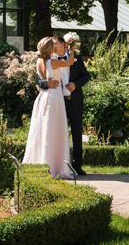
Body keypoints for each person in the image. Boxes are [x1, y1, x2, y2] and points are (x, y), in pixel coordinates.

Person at [38, 33, 90, 175]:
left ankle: (77, 165)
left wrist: (76, 84)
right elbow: (39, 80)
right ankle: (58, 166)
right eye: (51, 44)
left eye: (55, 43)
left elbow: (86, 76)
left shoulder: (77, 60)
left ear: (63, 44)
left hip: (74, 101)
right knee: (57, 135)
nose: (53, 46)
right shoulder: (50, 60)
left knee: (77, 134)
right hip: (56, 103)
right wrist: (46, 83)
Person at [22, 37, 74, 178]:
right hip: (54, 97)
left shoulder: (39, 61)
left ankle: (44, 163)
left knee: (44, 129)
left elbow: (41, 80)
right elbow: (69, 62)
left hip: (43, 96)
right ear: (50, 49)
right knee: (55, 129)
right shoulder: (52, 62)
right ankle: (55, 167)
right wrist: (71, 50)